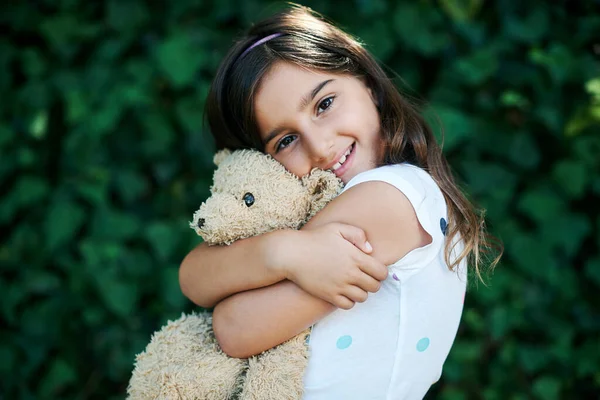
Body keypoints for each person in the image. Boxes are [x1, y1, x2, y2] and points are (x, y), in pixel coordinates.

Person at [179, 5, 501, 399]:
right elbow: (192, 276)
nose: (319, 146)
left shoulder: (390, 198)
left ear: (368, 83)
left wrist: (274, 255)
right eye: (285, 141)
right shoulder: (323, 214)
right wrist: (282, 251)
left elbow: (233, 328)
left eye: (324, 104)